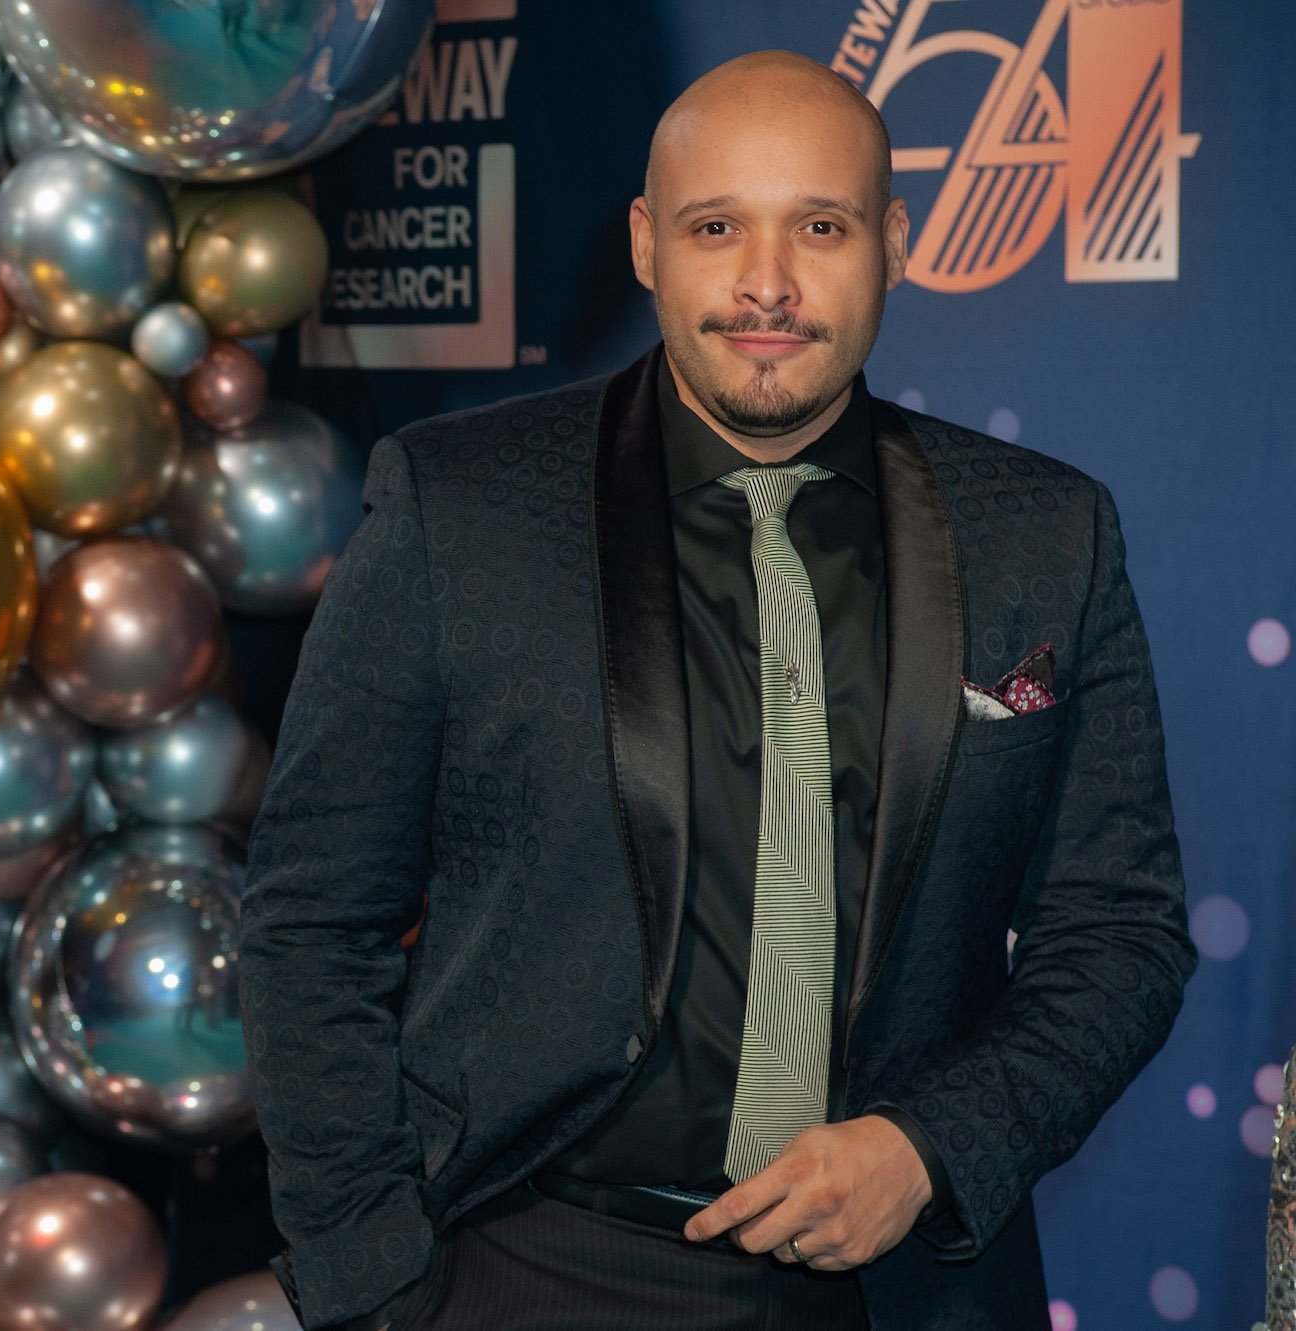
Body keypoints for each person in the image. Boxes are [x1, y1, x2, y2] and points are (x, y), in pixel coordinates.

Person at [236, 49, 1197, 1331]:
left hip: (907, 1287)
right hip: (533, 1263)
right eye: (714, 228)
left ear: (893, 242)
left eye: (819, 227)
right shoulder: (457, 506)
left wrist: (929, 1146)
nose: (766, 283)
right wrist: (378, 1276)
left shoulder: (1042, 532)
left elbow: (1118, 931)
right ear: (646, 243)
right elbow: (313, 912)